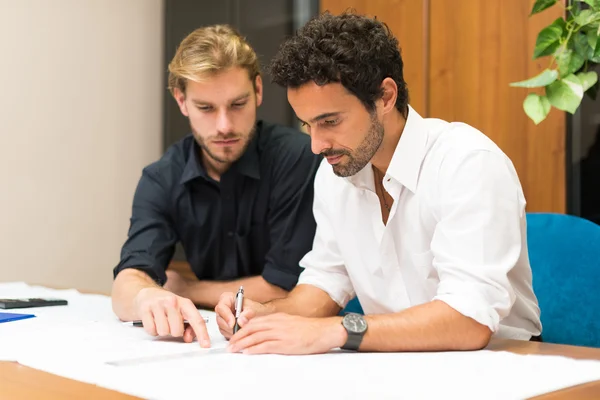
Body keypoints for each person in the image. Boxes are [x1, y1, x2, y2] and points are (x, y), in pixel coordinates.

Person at [215, 12, 542, 355]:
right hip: (391, 363)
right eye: (307, 125)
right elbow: (325, 283)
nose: (316, 145)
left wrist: (336, 331)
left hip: (501, 367)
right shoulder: (334, 172)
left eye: (330, 121)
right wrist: (264, 315)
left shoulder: (468, 162)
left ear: (385, 97)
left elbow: (469, 320)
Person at [111, 24, 321, 347]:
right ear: (182, 101)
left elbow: (284, 287)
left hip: (289, 339)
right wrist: (147, 298)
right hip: (209, 344)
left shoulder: (297, 158)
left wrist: (186, 290)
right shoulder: (161, 177)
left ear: (259, 91)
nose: (225, 125)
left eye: (238, 104)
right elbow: (129, 278)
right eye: (206, 108)